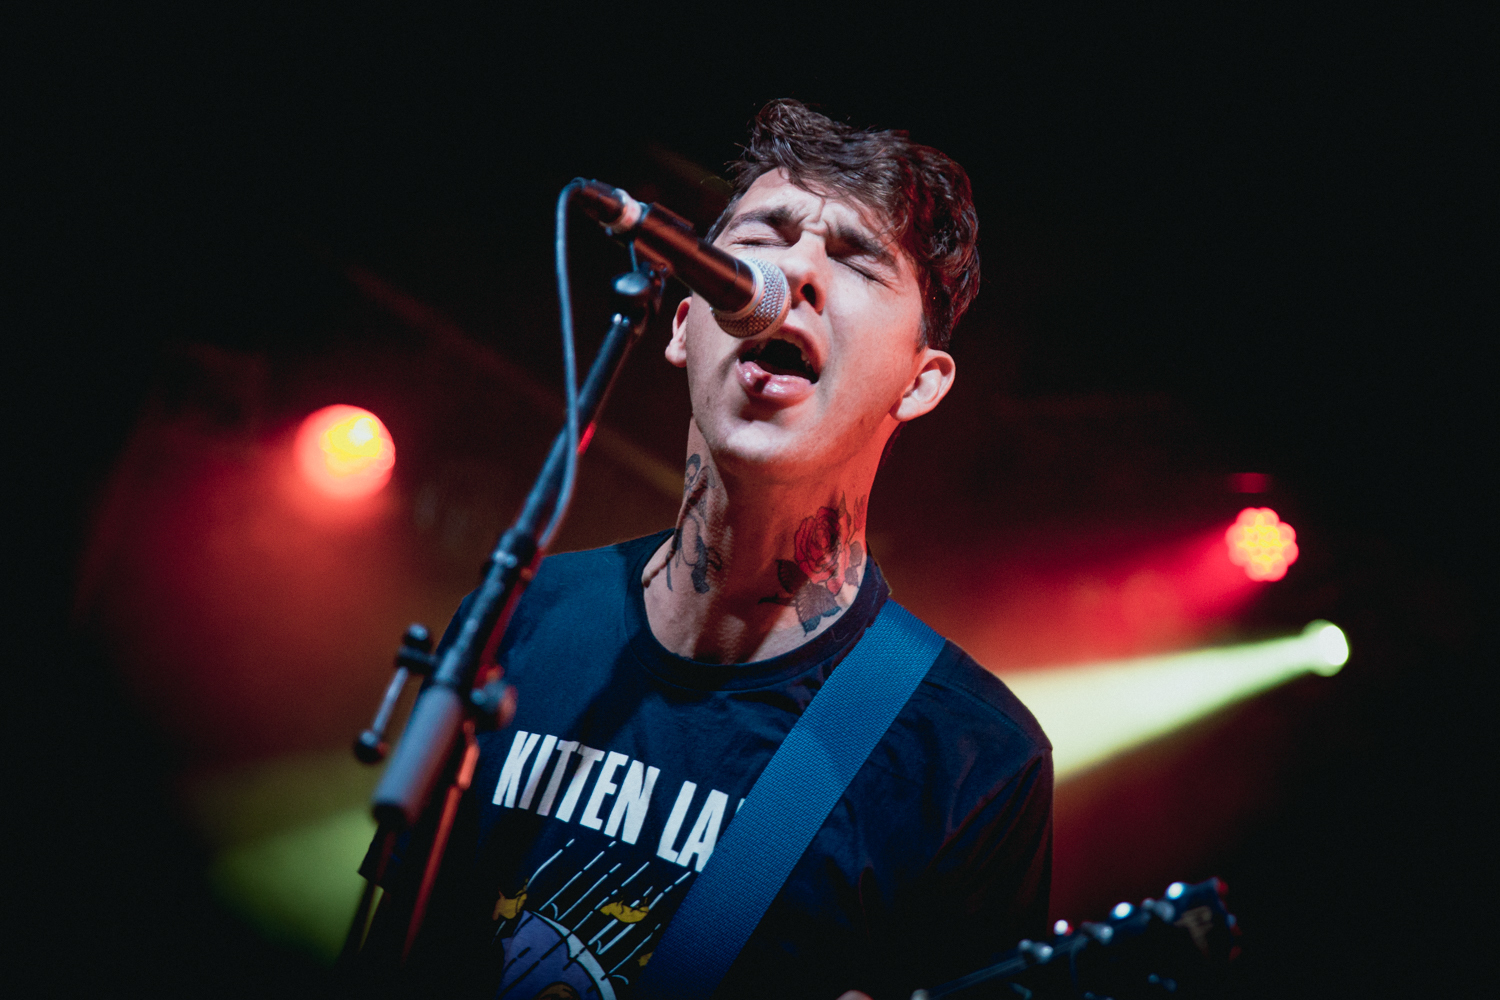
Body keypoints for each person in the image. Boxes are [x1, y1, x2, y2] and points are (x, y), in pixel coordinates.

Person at [364, 99, 1053, 1000]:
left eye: (855, 261)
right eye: (763, 238)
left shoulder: (967, 760)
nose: (794, 273)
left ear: (920, 384)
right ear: (686, 323)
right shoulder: (516, 626)